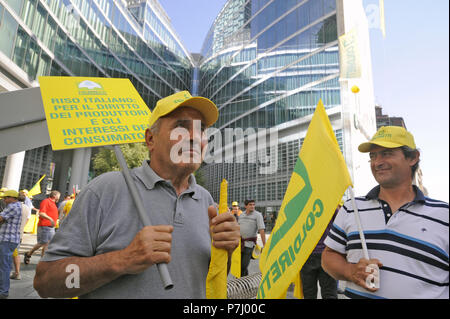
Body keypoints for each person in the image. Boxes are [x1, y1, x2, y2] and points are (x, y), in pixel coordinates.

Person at [33, 91, 240, 299]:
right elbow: (47, 283)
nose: (194, 137)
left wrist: (225, 253)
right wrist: (121, 260)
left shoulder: (207, 201)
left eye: (201, 129)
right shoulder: (105, 190)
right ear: (151, 139)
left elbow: (203, 278)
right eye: (181, 127)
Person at [322, 126, 449, 299]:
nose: (377, 162)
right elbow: (329, 256)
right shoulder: (351, 207)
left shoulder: (444, 215)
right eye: (372, 156)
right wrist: (350, 271)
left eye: (386, 153)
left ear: (412, 157)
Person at [300, 205, 340, 299]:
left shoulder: (303, 207)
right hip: (328, 253)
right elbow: (340, 229)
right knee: (329, 293)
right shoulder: (331, 206)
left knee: (309, 293)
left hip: (307, 255)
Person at [24, 190, 60, 264]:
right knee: (42, 243)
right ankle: (29, 254)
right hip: (45, 226)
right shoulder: (46, 201)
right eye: (59, 196)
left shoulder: (53, 203)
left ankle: (42, 260)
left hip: (50, 227)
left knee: (47, 244)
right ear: (55, 196)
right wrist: (51, 219)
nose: (59, 197)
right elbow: (42, 213)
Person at [0, 190, 22, 298]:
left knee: (4, 266)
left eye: (5, 197)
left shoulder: (12, 206)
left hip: (7, 240)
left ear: (12, 197)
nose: (4, 200)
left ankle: (3, 292)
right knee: (4, 265)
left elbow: (0, 218)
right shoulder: (16, 205)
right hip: (9, 239)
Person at [238, 199, 266, 277]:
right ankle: (243, 283)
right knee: (239, 265)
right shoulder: (241, 215)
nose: (252, 206)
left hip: (249, 244)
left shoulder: (258, 215)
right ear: (245, 206)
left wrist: (265, 245)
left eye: (253, 204)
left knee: (243, 265)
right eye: (250, 204)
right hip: (239, 244)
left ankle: (242, 282)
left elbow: (261, 230)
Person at [10, 193, 32, 280]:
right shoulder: (27, 208)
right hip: (19, 234)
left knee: (12, 253)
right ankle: (17, 272)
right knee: (16, 253)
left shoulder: (14, 207)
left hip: (11, 235)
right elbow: (27, 219)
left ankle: (15, 273)